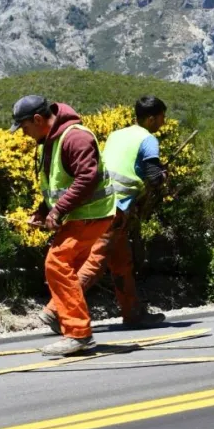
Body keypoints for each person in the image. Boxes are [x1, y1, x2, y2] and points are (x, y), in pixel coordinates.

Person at [9, 95, 117, 356]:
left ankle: (77, 333)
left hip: (91, 213)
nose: (24, 134)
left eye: (24, 128)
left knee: (56, 264)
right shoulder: (53, 139)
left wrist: (58, 210)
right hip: (83, 214)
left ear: (37, 119)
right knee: (68, 267)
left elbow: (87, 177)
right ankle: (64, 318)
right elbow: (58, 184)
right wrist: (43, 210)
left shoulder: (75, 137)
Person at [68, 96, 170, 329]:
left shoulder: (116, 134)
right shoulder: (148, 139)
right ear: (151, 118)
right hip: (116, 207)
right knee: (95, 261)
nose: (163, 122)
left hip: (98, 204)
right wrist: (164, 175)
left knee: (121, 262)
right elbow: (154, 178)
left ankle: (133, 314)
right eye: (162, 117)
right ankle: (58, 310)